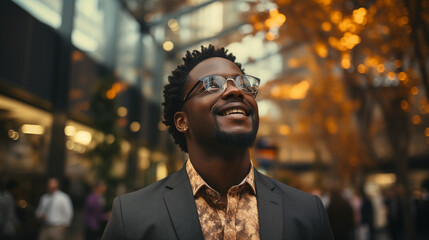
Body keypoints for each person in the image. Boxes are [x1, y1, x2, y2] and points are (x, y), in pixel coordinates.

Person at [102, 45, 333, 239]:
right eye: (212, 84)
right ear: (182, 121)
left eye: (243, 84)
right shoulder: (132, 217)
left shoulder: (307, 213)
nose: (235, 90)